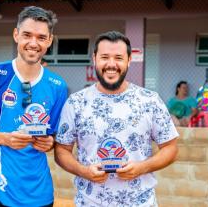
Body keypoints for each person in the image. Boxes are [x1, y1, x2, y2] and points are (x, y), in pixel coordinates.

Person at [54, 31, 178, 207]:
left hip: (140, 202)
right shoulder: (76, 102)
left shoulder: (150, 100)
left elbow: (171, 148)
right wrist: (84, 172)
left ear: (129, 60)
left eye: (118, 58)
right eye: (105, 57)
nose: (111, 64)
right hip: (89, 202)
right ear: (95, 58)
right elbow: (61, 151)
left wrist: (142, 168)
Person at [0, 6, 68, 207]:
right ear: (16, 35)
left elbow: (52, 138)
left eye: (41, 37)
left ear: (49, 41)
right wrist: (6, 139)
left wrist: (49, 143)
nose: (33, 43)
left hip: (40, 194)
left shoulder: (58, 86)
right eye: (27, 35)